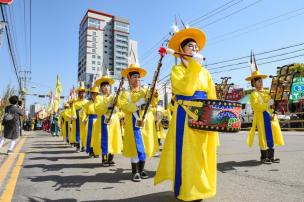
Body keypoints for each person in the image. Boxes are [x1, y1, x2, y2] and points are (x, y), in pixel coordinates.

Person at [154, 26, 219, 201]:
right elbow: (187, 89)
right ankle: (186, 191)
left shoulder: (205, 72)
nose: (195, 49)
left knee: (202, 154)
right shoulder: (177, 71)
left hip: (204, 115)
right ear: (182, 51)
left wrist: (215, 122)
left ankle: (200, 189)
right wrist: (194, 67)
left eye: (196, 47)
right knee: (188, 154)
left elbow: (212, 96)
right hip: (185, 115)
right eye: (191, 46)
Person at [119, 63, 159, 182]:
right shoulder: (125, 93)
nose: (137, 79)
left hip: (145, 122)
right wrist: (136, 104)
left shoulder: (144, 90)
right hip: (132, 122)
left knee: (144, 146)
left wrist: (154, 93)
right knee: (135, 147)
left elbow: (153, 102)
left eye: (138, 77)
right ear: (129, 79)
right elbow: (123, 106)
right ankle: (135, 171)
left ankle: (141, 170)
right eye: (134, 77)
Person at [245, 52, 284, 164]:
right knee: (263, 136)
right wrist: (267, 104)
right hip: (261, 117)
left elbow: (273, 100)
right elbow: (256, 107)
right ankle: (264, 157)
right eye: (258, 81)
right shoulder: (253, 95)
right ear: (253, 83)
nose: (261, 82)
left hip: (270, 117)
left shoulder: (267, 92)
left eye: (261, 81)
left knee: (272, 135)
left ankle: (271, 156)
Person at [95, 75, 123, 166]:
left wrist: (119, 95)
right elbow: (98, 109)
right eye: (103, 86)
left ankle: (111, 158)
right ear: (101, 88)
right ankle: (104, 158)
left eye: (107, 86)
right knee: (105, 138)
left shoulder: (113, 96)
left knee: (113, 138)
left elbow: (119, 105)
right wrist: (107, 105)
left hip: (114, 120)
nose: (106, 88)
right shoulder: (99, 98)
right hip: (104, 119)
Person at [82, 86, 99, 158]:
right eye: (93, 94)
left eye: (96, 94)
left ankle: (97, 151)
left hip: (98, 121)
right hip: (90, 121)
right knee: (90, 137)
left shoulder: (100, 103)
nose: (94, 95)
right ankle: (91, 152)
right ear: (91, 95)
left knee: (97, 137)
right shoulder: (87, 104)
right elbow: (84, 113)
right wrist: (84, 119)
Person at [71, 83, 88, 152]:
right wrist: (74, 115)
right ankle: (78, 146)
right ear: (78, 94)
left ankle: (84, 146)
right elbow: (73, 111)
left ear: (85, 94)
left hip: (85, 120)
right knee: (77, 133)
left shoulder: (87, 102)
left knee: (84, 133)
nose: (82, 94)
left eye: (83, 93)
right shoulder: (75, 103)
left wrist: (87, 118)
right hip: (77, 120)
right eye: (80, 93)